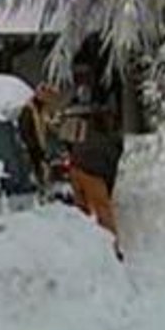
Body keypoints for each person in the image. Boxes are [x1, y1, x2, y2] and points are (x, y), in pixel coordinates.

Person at [69, 103, 125, 261]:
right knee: (103, 211)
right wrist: (108, 190)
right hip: (93, 174)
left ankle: (79, 246)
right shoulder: (112, 142)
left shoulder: (87, 130)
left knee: (80, 211)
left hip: (76, 169)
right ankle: (113, 250)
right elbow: (111, 169)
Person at [17, 83, 62, 189]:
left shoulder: (43, 109)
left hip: (41, 147)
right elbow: (25, 131)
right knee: (38, 172)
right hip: (33, 149)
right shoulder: (29, 110)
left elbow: (49, 126)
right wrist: (34, 147)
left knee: (44, 171)